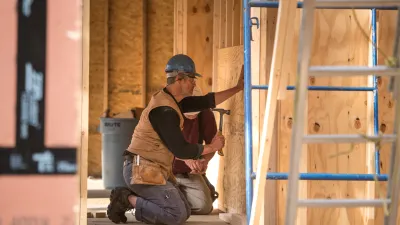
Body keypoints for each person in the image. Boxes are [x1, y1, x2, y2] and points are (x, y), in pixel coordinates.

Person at [107, 54, 243, 225]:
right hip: (140, 169)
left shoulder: (175, 101)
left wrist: (238, 87)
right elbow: (181, 149)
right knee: (176, 215)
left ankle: (141, 199)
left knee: (184, 211)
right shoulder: (164, 110)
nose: (194, 82)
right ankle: (126, 199)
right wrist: (212, 147)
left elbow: (208, 100)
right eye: (192, 78)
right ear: (179, 78)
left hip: (155, 169)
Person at [172, 86, 219, 216]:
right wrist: (186, 159)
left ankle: (174, 198)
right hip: (163, 172)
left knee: (204, 207)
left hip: (187, 174)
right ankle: (133, 197)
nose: (192, 115)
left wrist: (204, 161)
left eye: (196, 110)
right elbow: (159, 147)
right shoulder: (166, 113)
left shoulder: (205, 112)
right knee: (167, 205)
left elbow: (212, 145)